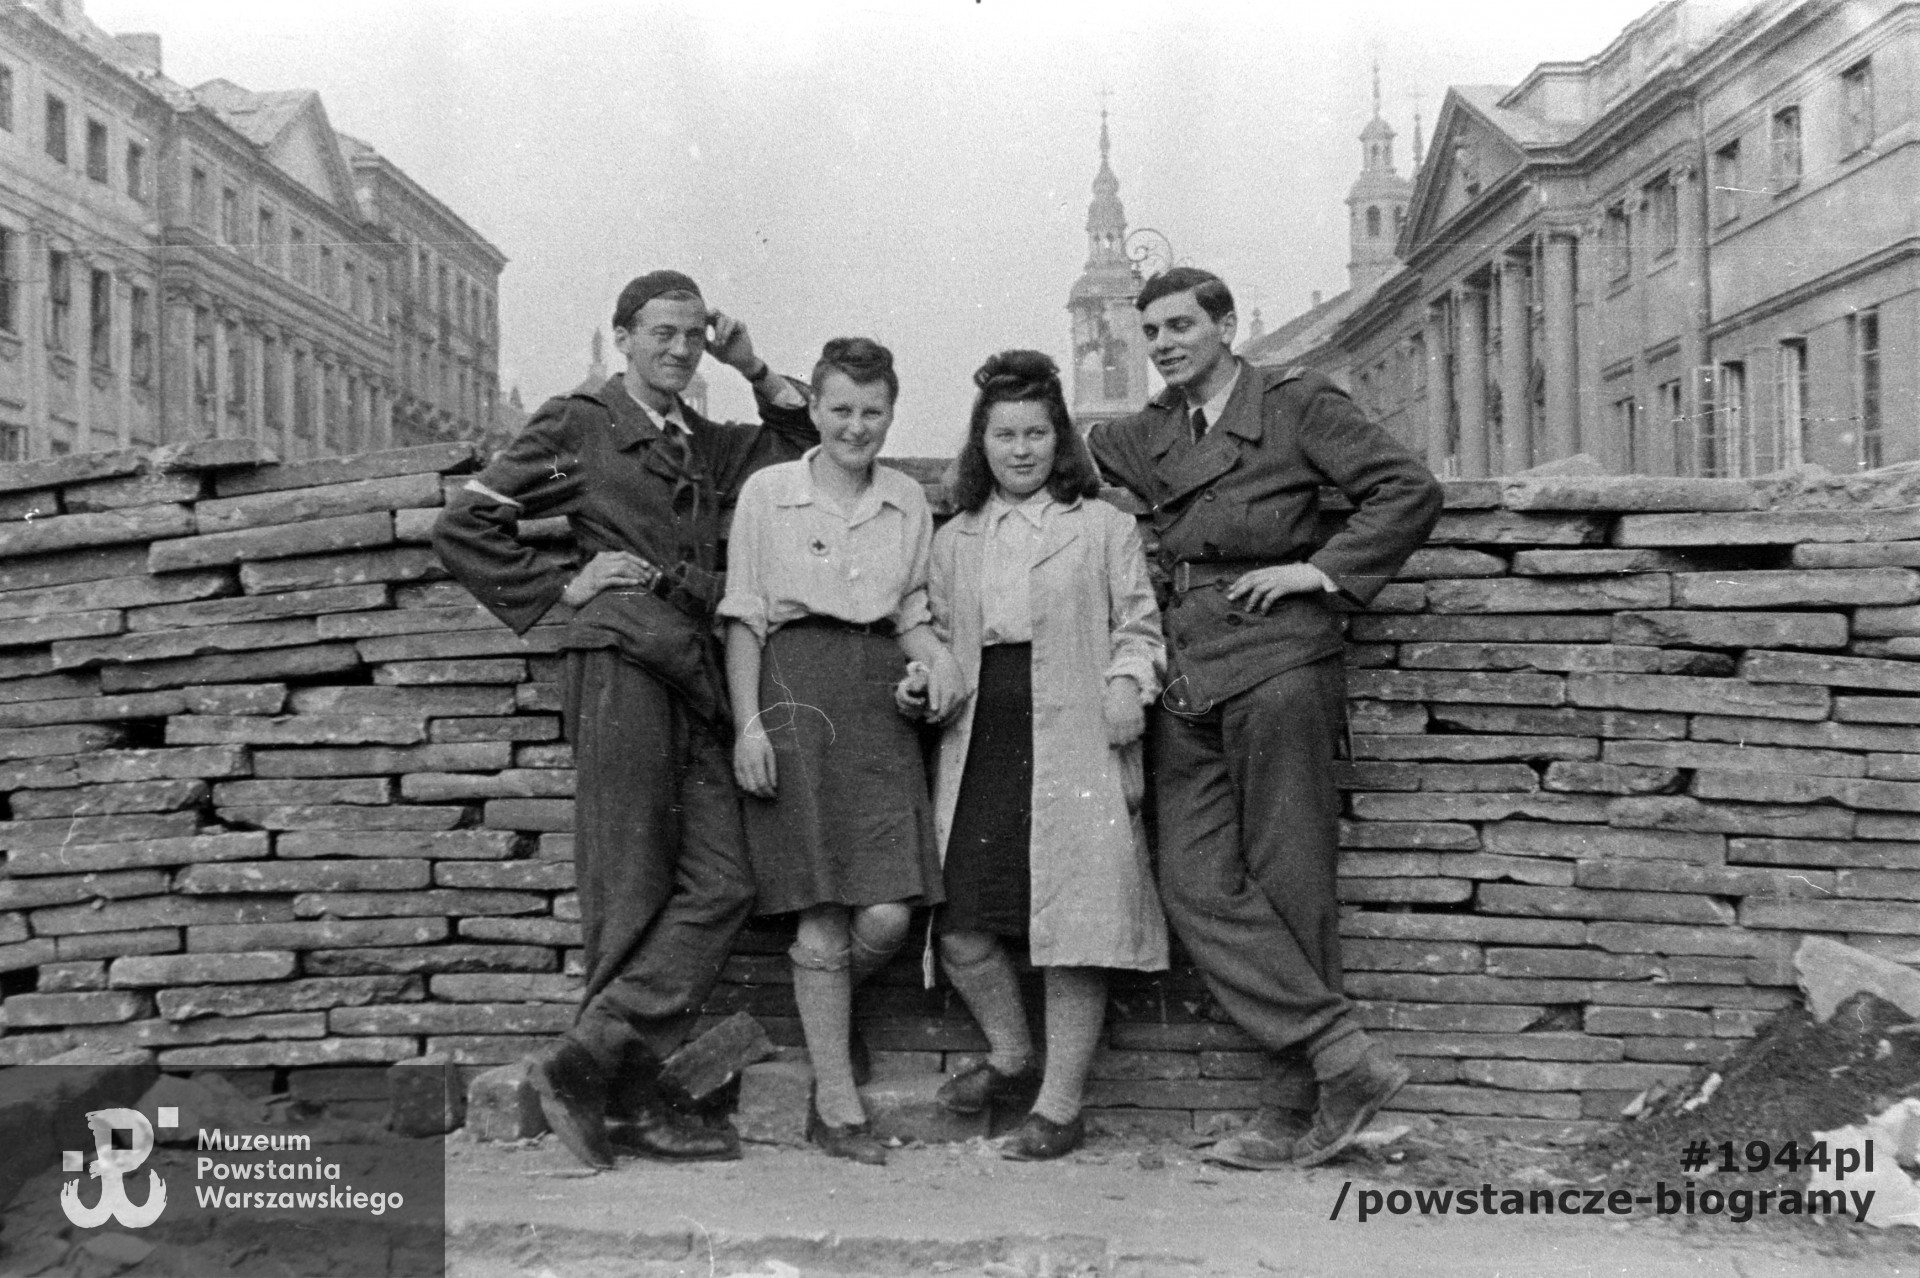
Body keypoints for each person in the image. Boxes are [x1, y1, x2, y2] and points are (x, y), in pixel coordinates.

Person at [433, 270, 815, 1170]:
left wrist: (753, 362)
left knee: (726, 878)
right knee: (629, 881)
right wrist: (561, 584)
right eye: (660, 334)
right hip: (619, 666)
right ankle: (631, 1097)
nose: (679, 350)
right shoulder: (581, 426)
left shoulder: (705, 441)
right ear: (623, 336)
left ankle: (585, 1064)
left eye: (692, 335)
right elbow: (465, 524)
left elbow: (799, 443)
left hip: (695, 673)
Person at [1087, 267, 1444, 1169]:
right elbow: (1047, 453)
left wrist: (1318, 571)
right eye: (1152, 332)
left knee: (1291, 880)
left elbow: (1407, 489)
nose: (1165, 344)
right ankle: (1343, 1058)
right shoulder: (1148, 432)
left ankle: (1301, 1106)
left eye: (1180, 327)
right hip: (1189, 674)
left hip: (1280, 662)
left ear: (1226, 325)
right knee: (1192, 881)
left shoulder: (1296, 403)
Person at [719, 337, 965, 1167]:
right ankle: (836, 1100)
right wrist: (748, 724)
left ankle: (825, 1030)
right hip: (796, 691)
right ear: (813, 411)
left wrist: (933, 671)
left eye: (873, 412)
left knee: (889, 912)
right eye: (840, 410)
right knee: (821, 914)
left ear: (891, 414)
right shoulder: (769, 492)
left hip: (879, 703)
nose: (856, 427)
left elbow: (914, 615)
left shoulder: (905, 500)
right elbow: (746, 615)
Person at [922, 350, 1167, 1161]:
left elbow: (1139, 626)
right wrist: (923, 680)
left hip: (1074, 726)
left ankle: (1059, 1109)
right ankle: (1012, 1055)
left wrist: (1130, 682)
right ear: (980, 443)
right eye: (1003, 435)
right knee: (960, 920)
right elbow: (925, 632)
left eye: (1035, 433)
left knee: (1078, 920)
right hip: (983, 729)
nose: (1020, 450)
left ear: (1058, 440)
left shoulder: (1102, 527)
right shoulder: (955, 535)